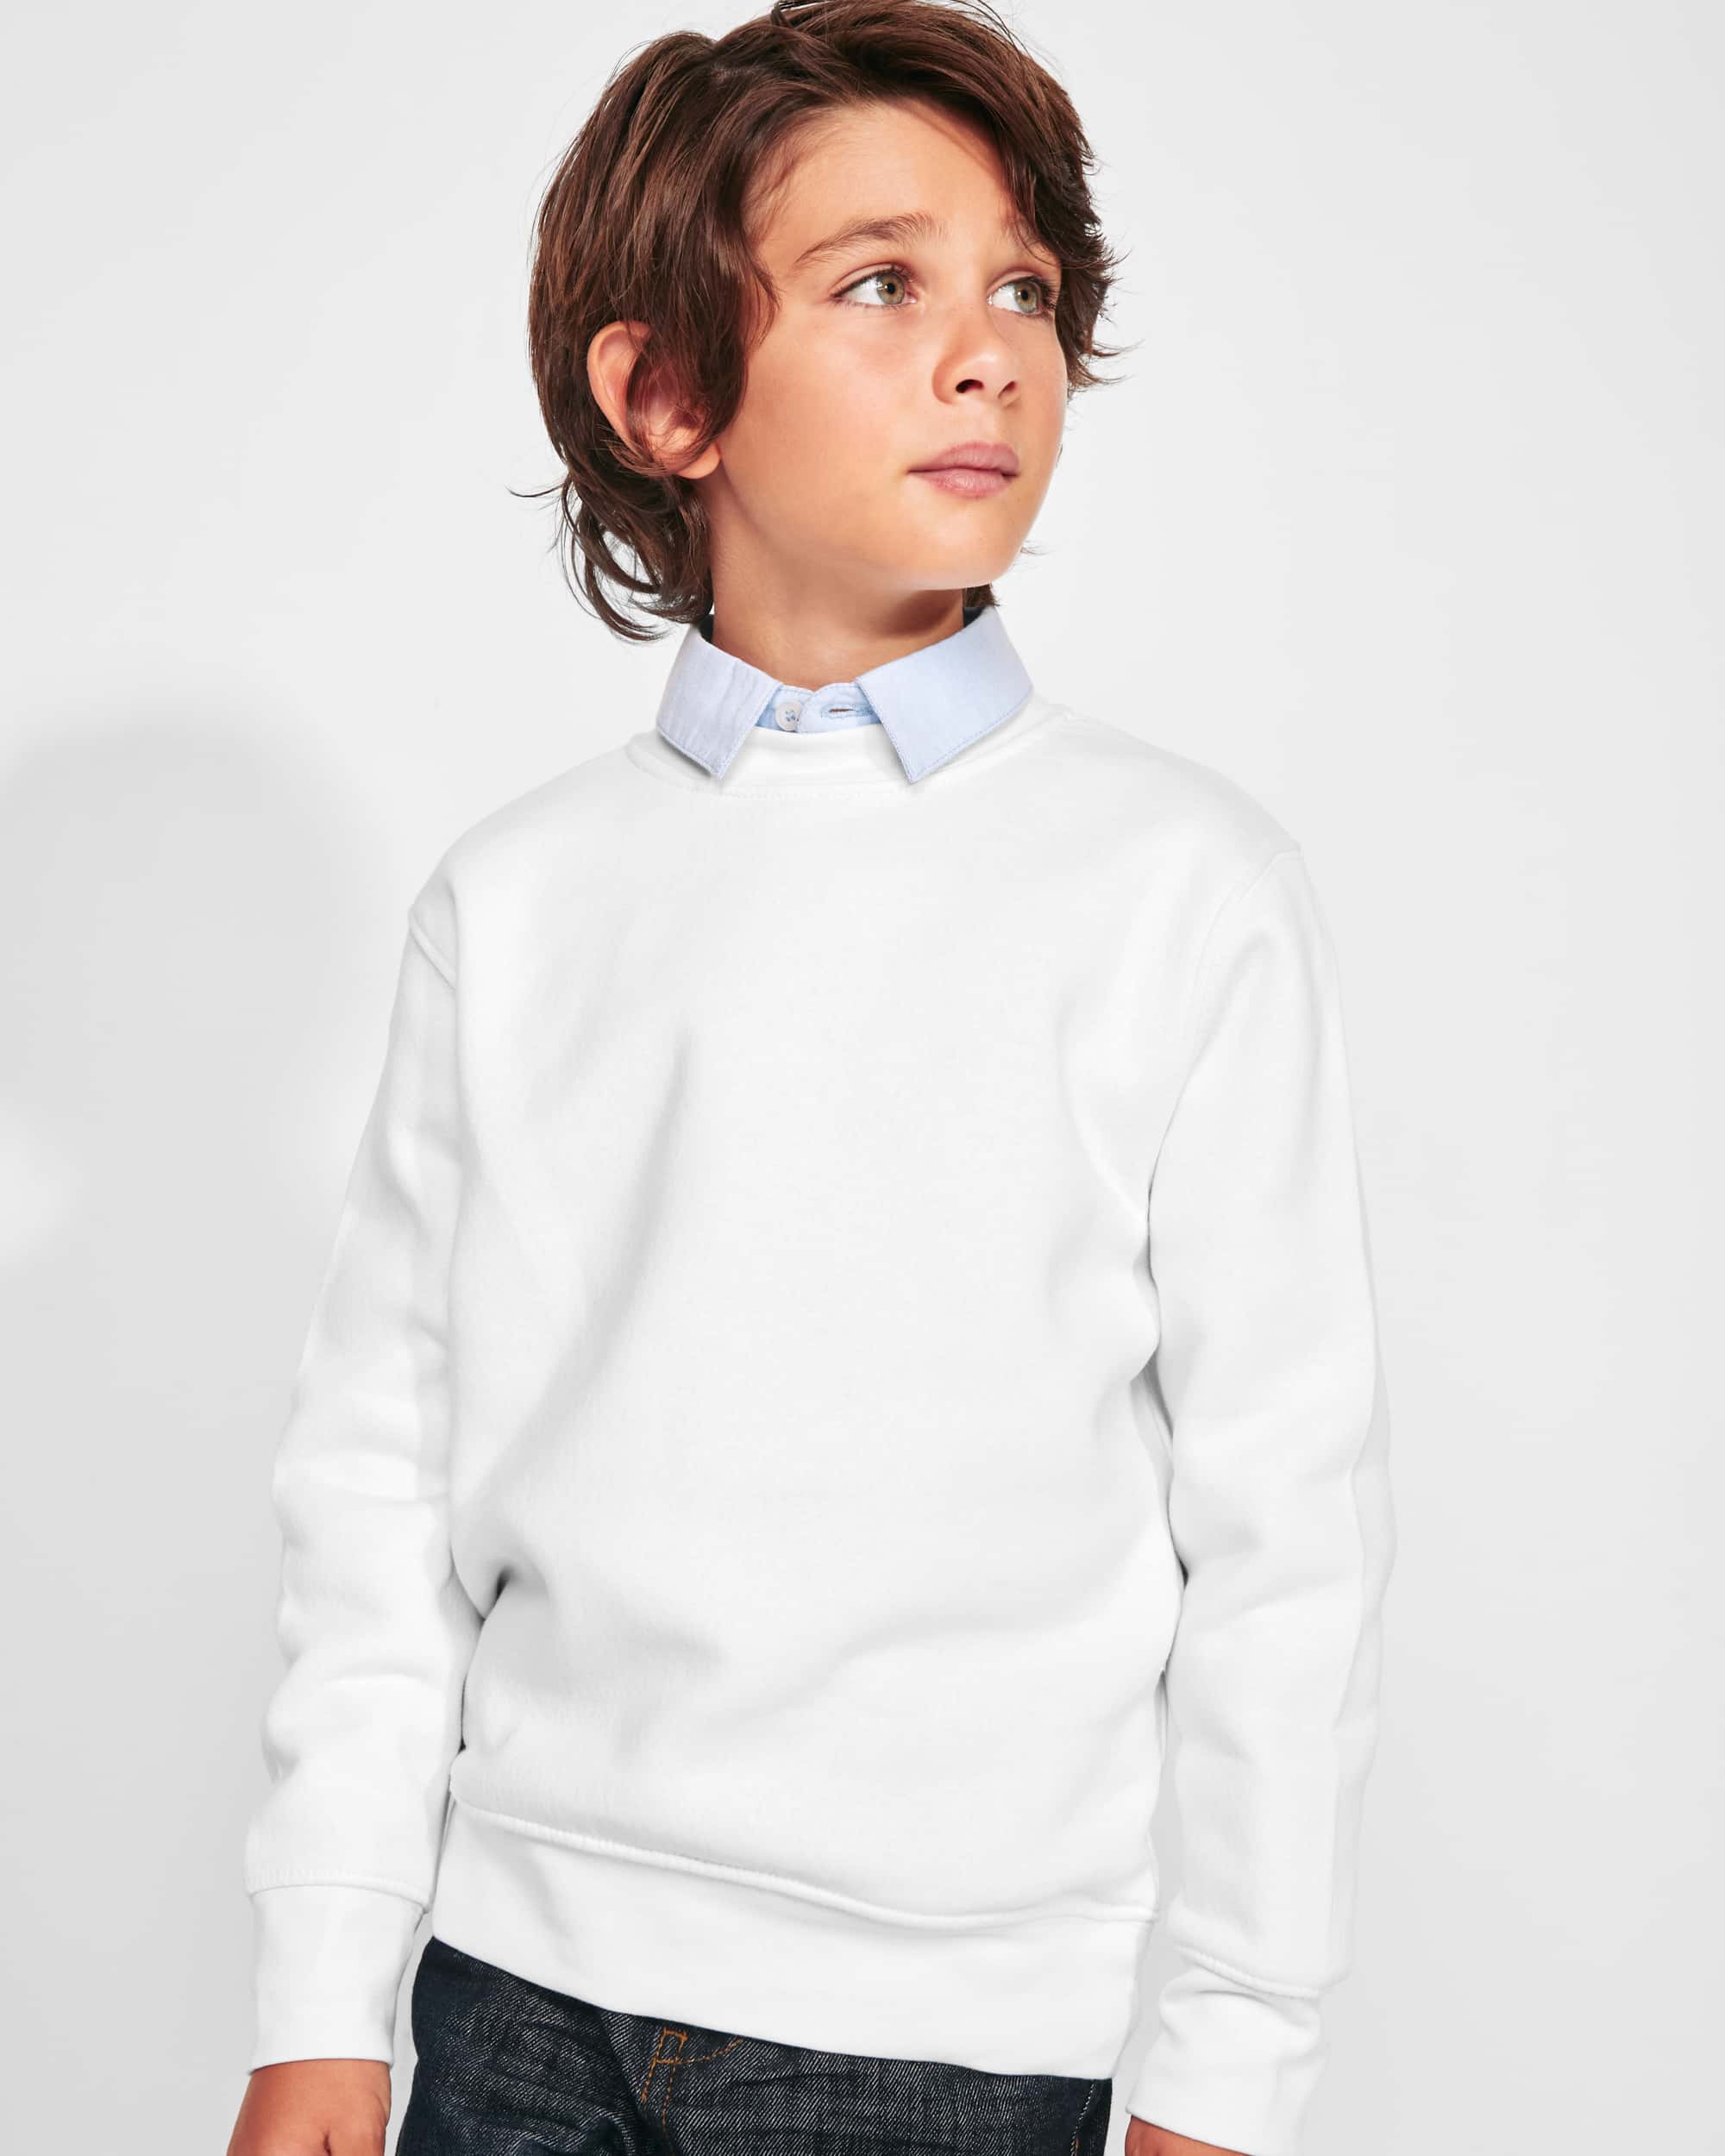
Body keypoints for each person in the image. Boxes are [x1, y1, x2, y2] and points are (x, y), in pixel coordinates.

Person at [225, 4, 1396, 2153]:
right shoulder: (520, 900)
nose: (988, 354)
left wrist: (1229, 2057)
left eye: (1022, 289)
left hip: (940, 2044)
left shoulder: (1179, 889)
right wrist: (322, 1983)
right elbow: (383, 1475)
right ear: (665, 394)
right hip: (511, 1995)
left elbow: (1282, 1531)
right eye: (881, 283)